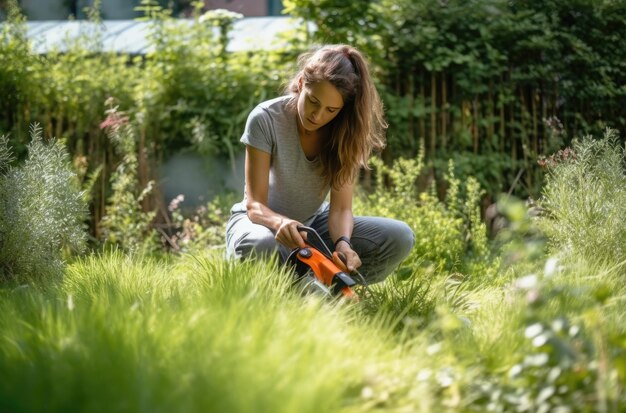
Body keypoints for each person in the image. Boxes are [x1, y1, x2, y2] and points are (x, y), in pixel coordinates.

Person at [225, 44, 414, 283]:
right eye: (313, 101)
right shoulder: (265, 118)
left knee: (399, 236)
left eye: (331, 109)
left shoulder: (347, 134)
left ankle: (329, 289)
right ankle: (299, 288)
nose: (317, 115)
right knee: (260, 245)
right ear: (302, 83)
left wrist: (343, 244)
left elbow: (341, 209)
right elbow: (255, 206)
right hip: (261, 225)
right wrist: (281, 223)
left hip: (313, 227)